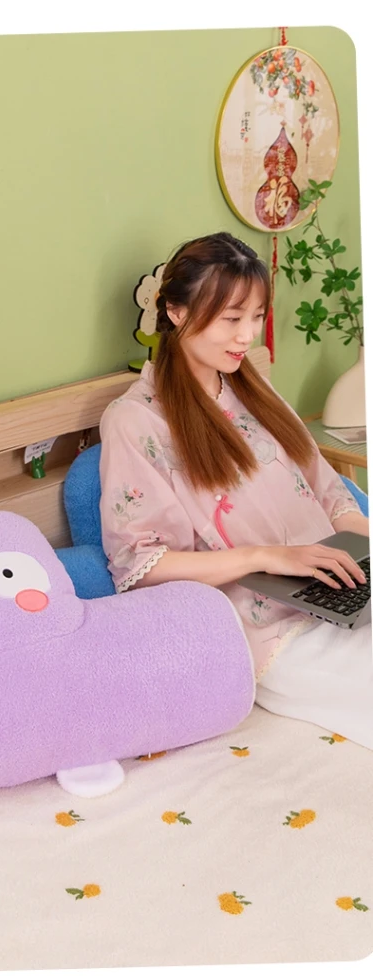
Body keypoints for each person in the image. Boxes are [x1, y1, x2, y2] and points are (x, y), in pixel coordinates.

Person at [99, 232, 372, 749]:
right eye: (231, 318)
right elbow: (140, 565)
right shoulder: (136, 421)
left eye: (256, 316)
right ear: (176, 312)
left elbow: (329, 491)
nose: (247, 336)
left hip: (341, 587)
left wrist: (365, 539)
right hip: (275, 631)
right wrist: (269, 556)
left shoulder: (251, 385)